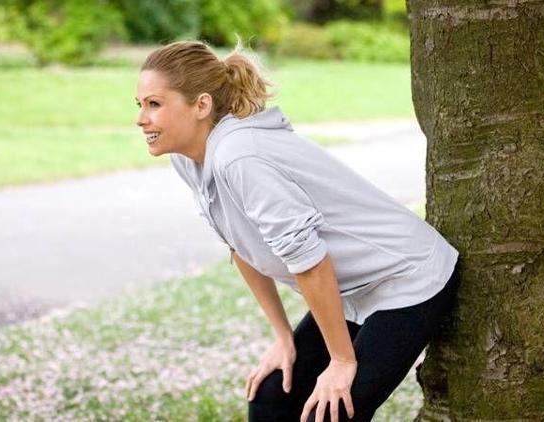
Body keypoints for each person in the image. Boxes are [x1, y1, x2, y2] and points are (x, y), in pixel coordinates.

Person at [135, 40, 460, 422]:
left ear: (201, 105)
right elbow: (240, 245)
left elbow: (310, 262)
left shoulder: (241, 157)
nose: (141, 118)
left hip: (408, 279)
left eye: (154, 104)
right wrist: (283, 336)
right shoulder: (191, 160)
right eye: (139, 105)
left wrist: (341, 361)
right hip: (352, 292)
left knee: (334, 411)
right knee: (272, 398)